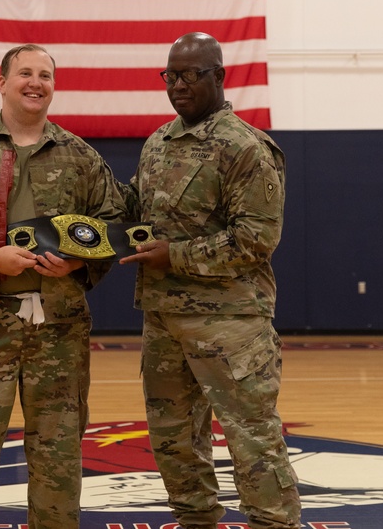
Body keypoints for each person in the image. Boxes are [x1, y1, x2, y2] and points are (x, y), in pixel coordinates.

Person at [0, 44, 127, 529]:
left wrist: (78, 264)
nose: (36, 83)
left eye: (45, 75)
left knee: (58, 453)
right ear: (2, 83)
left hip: (59, 329)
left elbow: (114, 222)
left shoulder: (80, 156)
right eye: (25, 73)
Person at [119, 32, 302, 529]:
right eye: (170, 76)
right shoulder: (159, 141)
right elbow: (135, 209)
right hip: (164, 320)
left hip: (231, 323)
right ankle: (195, 519)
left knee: (252, 440)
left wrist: (172, 255)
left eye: (190, 74)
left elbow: (256, 240)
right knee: (173, 437)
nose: (178, 85)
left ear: (219, 76)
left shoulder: (246, 147)